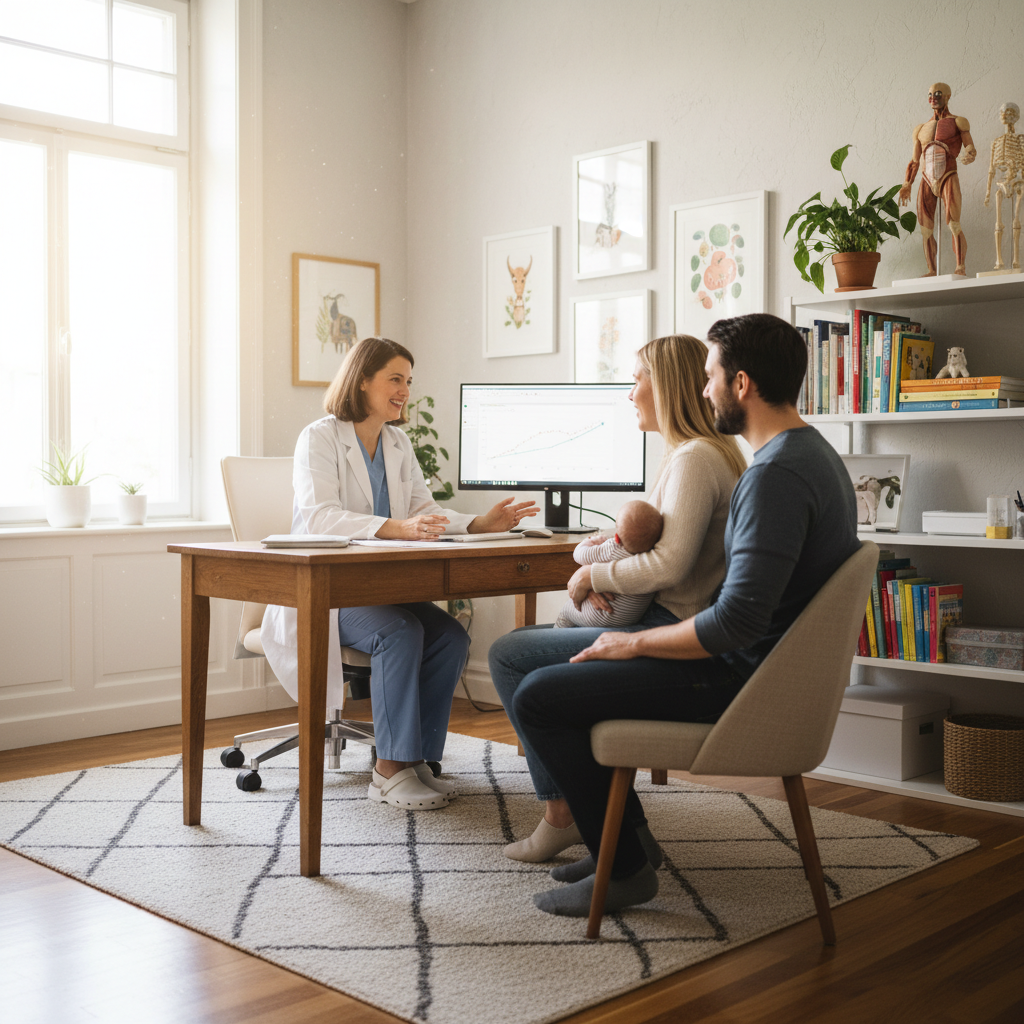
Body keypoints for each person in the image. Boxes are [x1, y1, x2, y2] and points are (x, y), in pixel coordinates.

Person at [508, 313, 860, 918]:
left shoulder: (774, 476)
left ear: (741, 384)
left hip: (736, 678)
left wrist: (634, 646)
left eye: (710, 376)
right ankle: (624, 840)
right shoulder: (809, 456)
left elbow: (736, 625)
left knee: (539, 695)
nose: (702, 390)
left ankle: (624, 870)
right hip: (756, 668)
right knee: (544, 678)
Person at [489, 334, 747, 863]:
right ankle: (613, 824)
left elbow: (667, 565)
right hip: (670, 622)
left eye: (637, 380)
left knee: (509, 656)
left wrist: (593, 577)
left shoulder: (695, 460)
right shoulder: (707, 454)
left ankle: (564, 815)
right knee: (529, 650)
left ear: (667, 387)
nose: (631, 394)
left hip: (666, 630)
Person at [261, 336, 537, 811]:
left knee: (450, 636)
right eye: (395, 379)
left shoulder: (396, 440)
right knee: (401, 632)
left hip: (377, 587)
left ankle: (420, 763)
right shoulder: (319, 438)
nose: (405, 390)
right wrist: (395, 527)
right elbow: (319, 516)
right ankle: (388, 770)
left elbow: (423, 511)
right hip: (327, 593)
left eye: (408, 381)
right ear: (362, 380)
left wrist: (478, 523)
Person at [899, 82, 977, 277]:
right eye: (930, 94)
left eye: (938, 94)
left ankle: (960, 266)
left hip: (948, 174)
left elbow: (970, 146)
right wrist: (907, 183)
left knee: (954, 224)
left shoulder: (958, 122)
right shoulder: (921, 129)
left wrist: (970, 153)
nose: (933, 97)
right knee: (925, 229)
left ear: (948, 96)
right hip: (926, 177)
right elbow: (915, 160)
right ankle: (931, 270)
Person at [554, 500, 664, 628]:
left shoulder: (612, 549)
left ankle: (556, 633)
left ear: (616, 537)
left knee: (566, 611)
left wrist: (590, 540)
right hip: (628, 619)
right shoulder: (652, 558)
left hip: (600, 616)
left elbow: (579, 555)